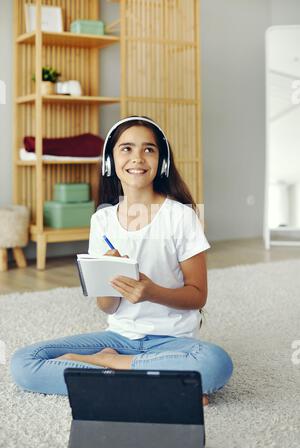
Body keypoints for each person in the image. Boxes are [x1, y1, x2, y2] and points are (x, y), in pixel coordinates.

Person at [10, 116, 233, 404]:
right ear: (110, 162)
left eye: (148, 149)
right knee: (25, 363)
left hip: (173, 343)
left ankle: (112, 367)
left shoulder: (181, 216)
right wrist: (109, 280)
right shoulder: (102, 219)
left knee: (216, 363)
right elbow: (107, 306)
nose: (137, 158)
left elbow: (197, 296)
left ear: (161, 161)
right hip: (119, 339)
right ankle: (164, 382)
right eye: (126, 149)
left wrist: (152, 292)